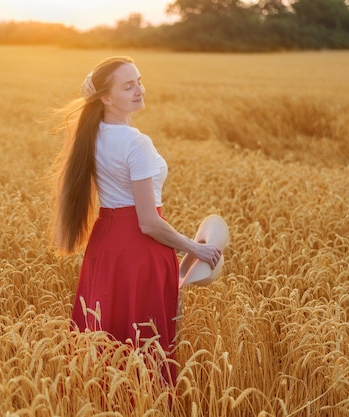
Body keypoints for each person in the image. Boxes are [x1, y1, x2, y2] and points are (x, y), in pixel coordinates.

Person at [50, 56, 222, 387]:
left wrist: (98, 85)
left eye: (139, 81)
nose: (139, 90)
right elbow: (148, 222)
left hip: (106, 245)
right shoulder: (135, 143)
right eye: (128, 86)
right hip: (141, 251)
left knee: (103, 337)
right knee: (146, 346)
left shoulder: (92, 133)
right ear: (106, 97)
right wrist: (193, 247)